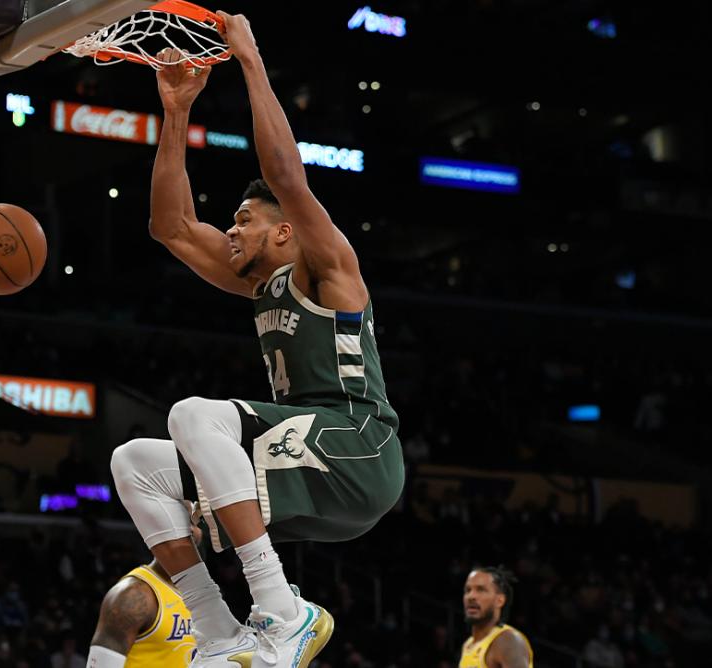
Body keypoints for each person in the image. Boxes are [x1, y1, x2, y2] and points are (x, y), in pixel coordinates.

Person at [110, 13, 405, 667]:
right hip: (308, 466)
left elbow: (287, 179)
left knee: (193, 413)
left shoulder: (326, 267)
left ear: (284, 233)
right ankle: (223, 634)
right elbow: (172, 226)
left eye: (244, 220)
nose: (231, 231)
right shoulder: (259, 285)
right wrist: (177, 109)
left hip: (358, 449)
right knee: (135, 464)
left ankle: (283, 610)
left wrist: (248, 59)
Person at [86, 521, 202, 667]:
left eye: (192, 521)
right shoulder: (132, 595)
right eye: (176, 519)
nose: (188, 529)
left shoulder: (203, 595)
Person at [459, 567, 533, 668]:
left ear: (499, 601)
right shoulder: (468, 645)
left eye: (481, 590)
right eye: (468, 590)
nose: (471, 596)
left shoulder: (508, 640)